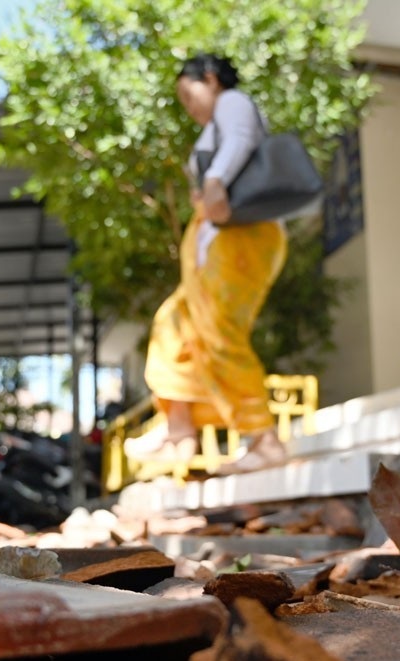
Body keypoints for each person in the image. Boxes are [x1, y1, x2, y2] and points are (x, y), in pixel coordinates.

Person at [123, 53, 288, 475]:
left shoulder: (232, 102)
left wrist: (213, 180)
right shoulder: (215, 122)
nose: (188, 105)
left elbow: (241, 137)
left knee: (218, 332)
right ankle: (179, 429)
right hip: (217, 246)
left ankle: (264, 440)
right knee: (173, 322)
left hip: (243, 239)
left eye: (188, 93)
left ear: (211, 79)